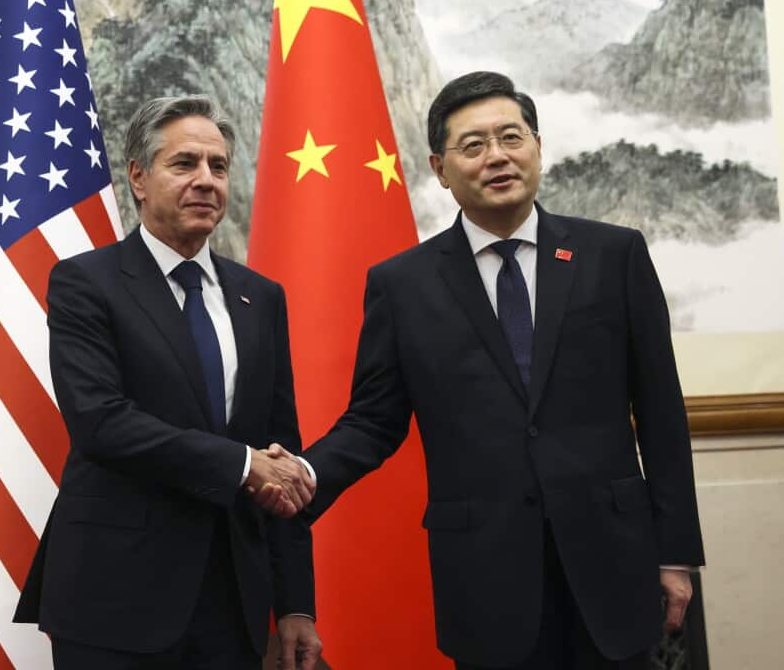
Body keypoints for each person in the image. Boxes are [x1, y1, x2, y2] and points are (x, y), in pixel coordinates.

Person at [292, 71, 705, 669]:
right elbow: (373, 422)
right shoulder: (403, 285)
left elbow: (663, 414)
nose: (497, 157)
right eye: (474, 145)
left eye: (511, 137)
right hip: (486, 578)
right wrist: (300, 478)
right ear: (440, 168)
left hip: (613, 565)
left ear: (537, 146)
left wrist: (676, 553)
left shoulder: (614, 256)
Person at [14, 95, 322, 670]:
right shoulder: (86, 283)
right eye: (185, 164)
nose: (206, 181)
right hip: (116, 596)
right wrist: (241, 464)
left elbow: (281, 452)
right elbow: (100, 423)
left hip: (234, 603)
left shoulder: (261, 297)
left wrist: (296, 605)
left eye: (219, 166)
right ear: (138, 177)